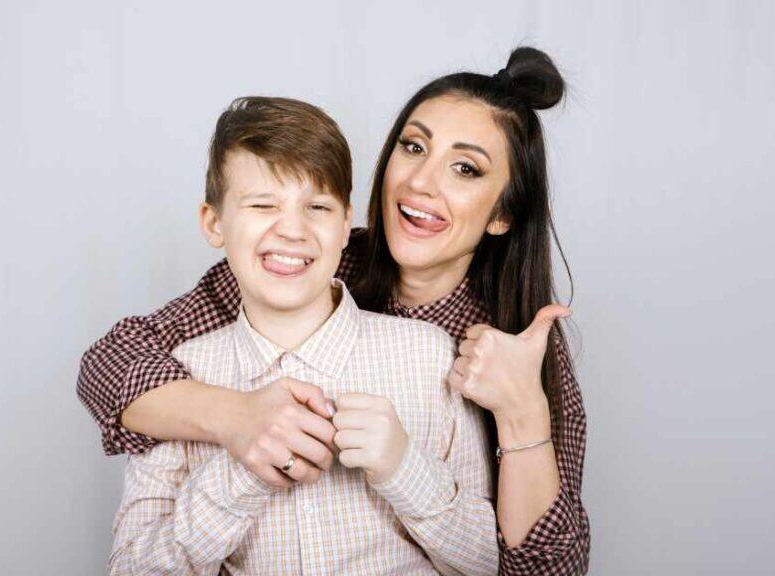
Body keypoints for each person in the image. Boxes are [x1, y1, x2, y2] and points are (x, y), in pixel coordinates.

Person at [80, 46, 591, 575]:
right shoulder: (306, 262)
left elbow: (539, 569)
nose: (421, 182)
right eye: (413, 147)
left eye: (465, 168)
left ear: (503, 213)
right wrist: (241, 421)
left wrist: (520, 411)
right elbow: (112, 364)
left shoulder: (508, 348)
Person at [109, 96, 497, 575]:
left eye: (317, 206)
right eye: (262, 204)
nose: (292, 230)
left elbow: (486, 564)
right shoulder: (179, 379)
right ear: (214, 223)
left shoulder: (428, 355)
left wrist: (405, 468)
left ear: (344, 226)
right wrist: (238, 476)